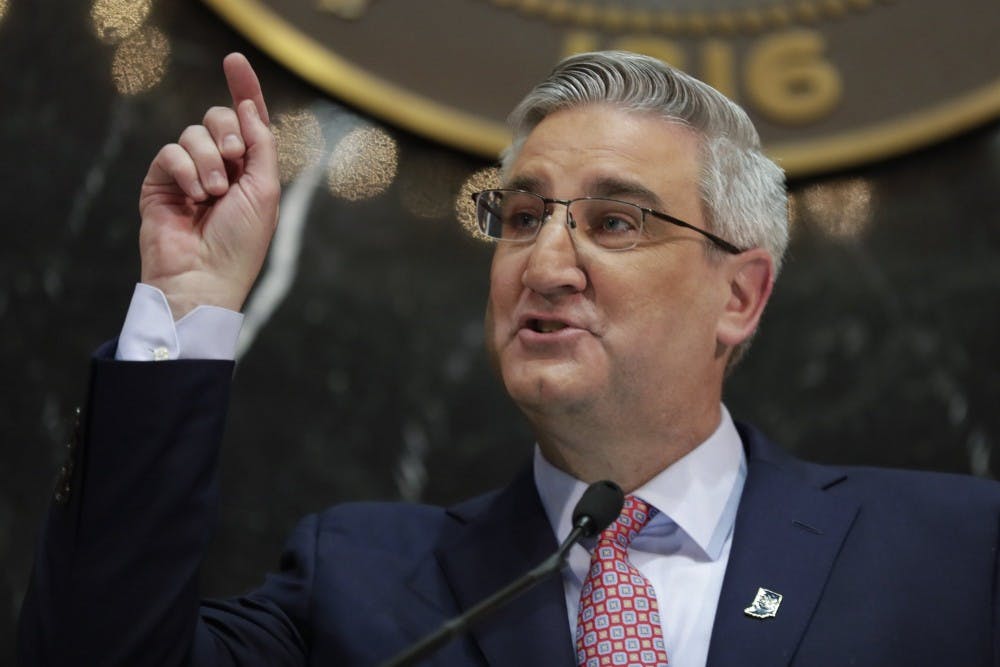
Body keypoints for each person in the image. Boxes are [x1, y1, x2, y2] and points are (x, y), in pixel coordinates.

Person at [18, 51, 1000, 667]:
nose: (546, 261)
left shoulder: (953, 555)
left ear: (738, 295)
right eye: (522, 216)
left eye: (613, 221)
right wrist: (187, 304)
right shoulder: (360, 582)